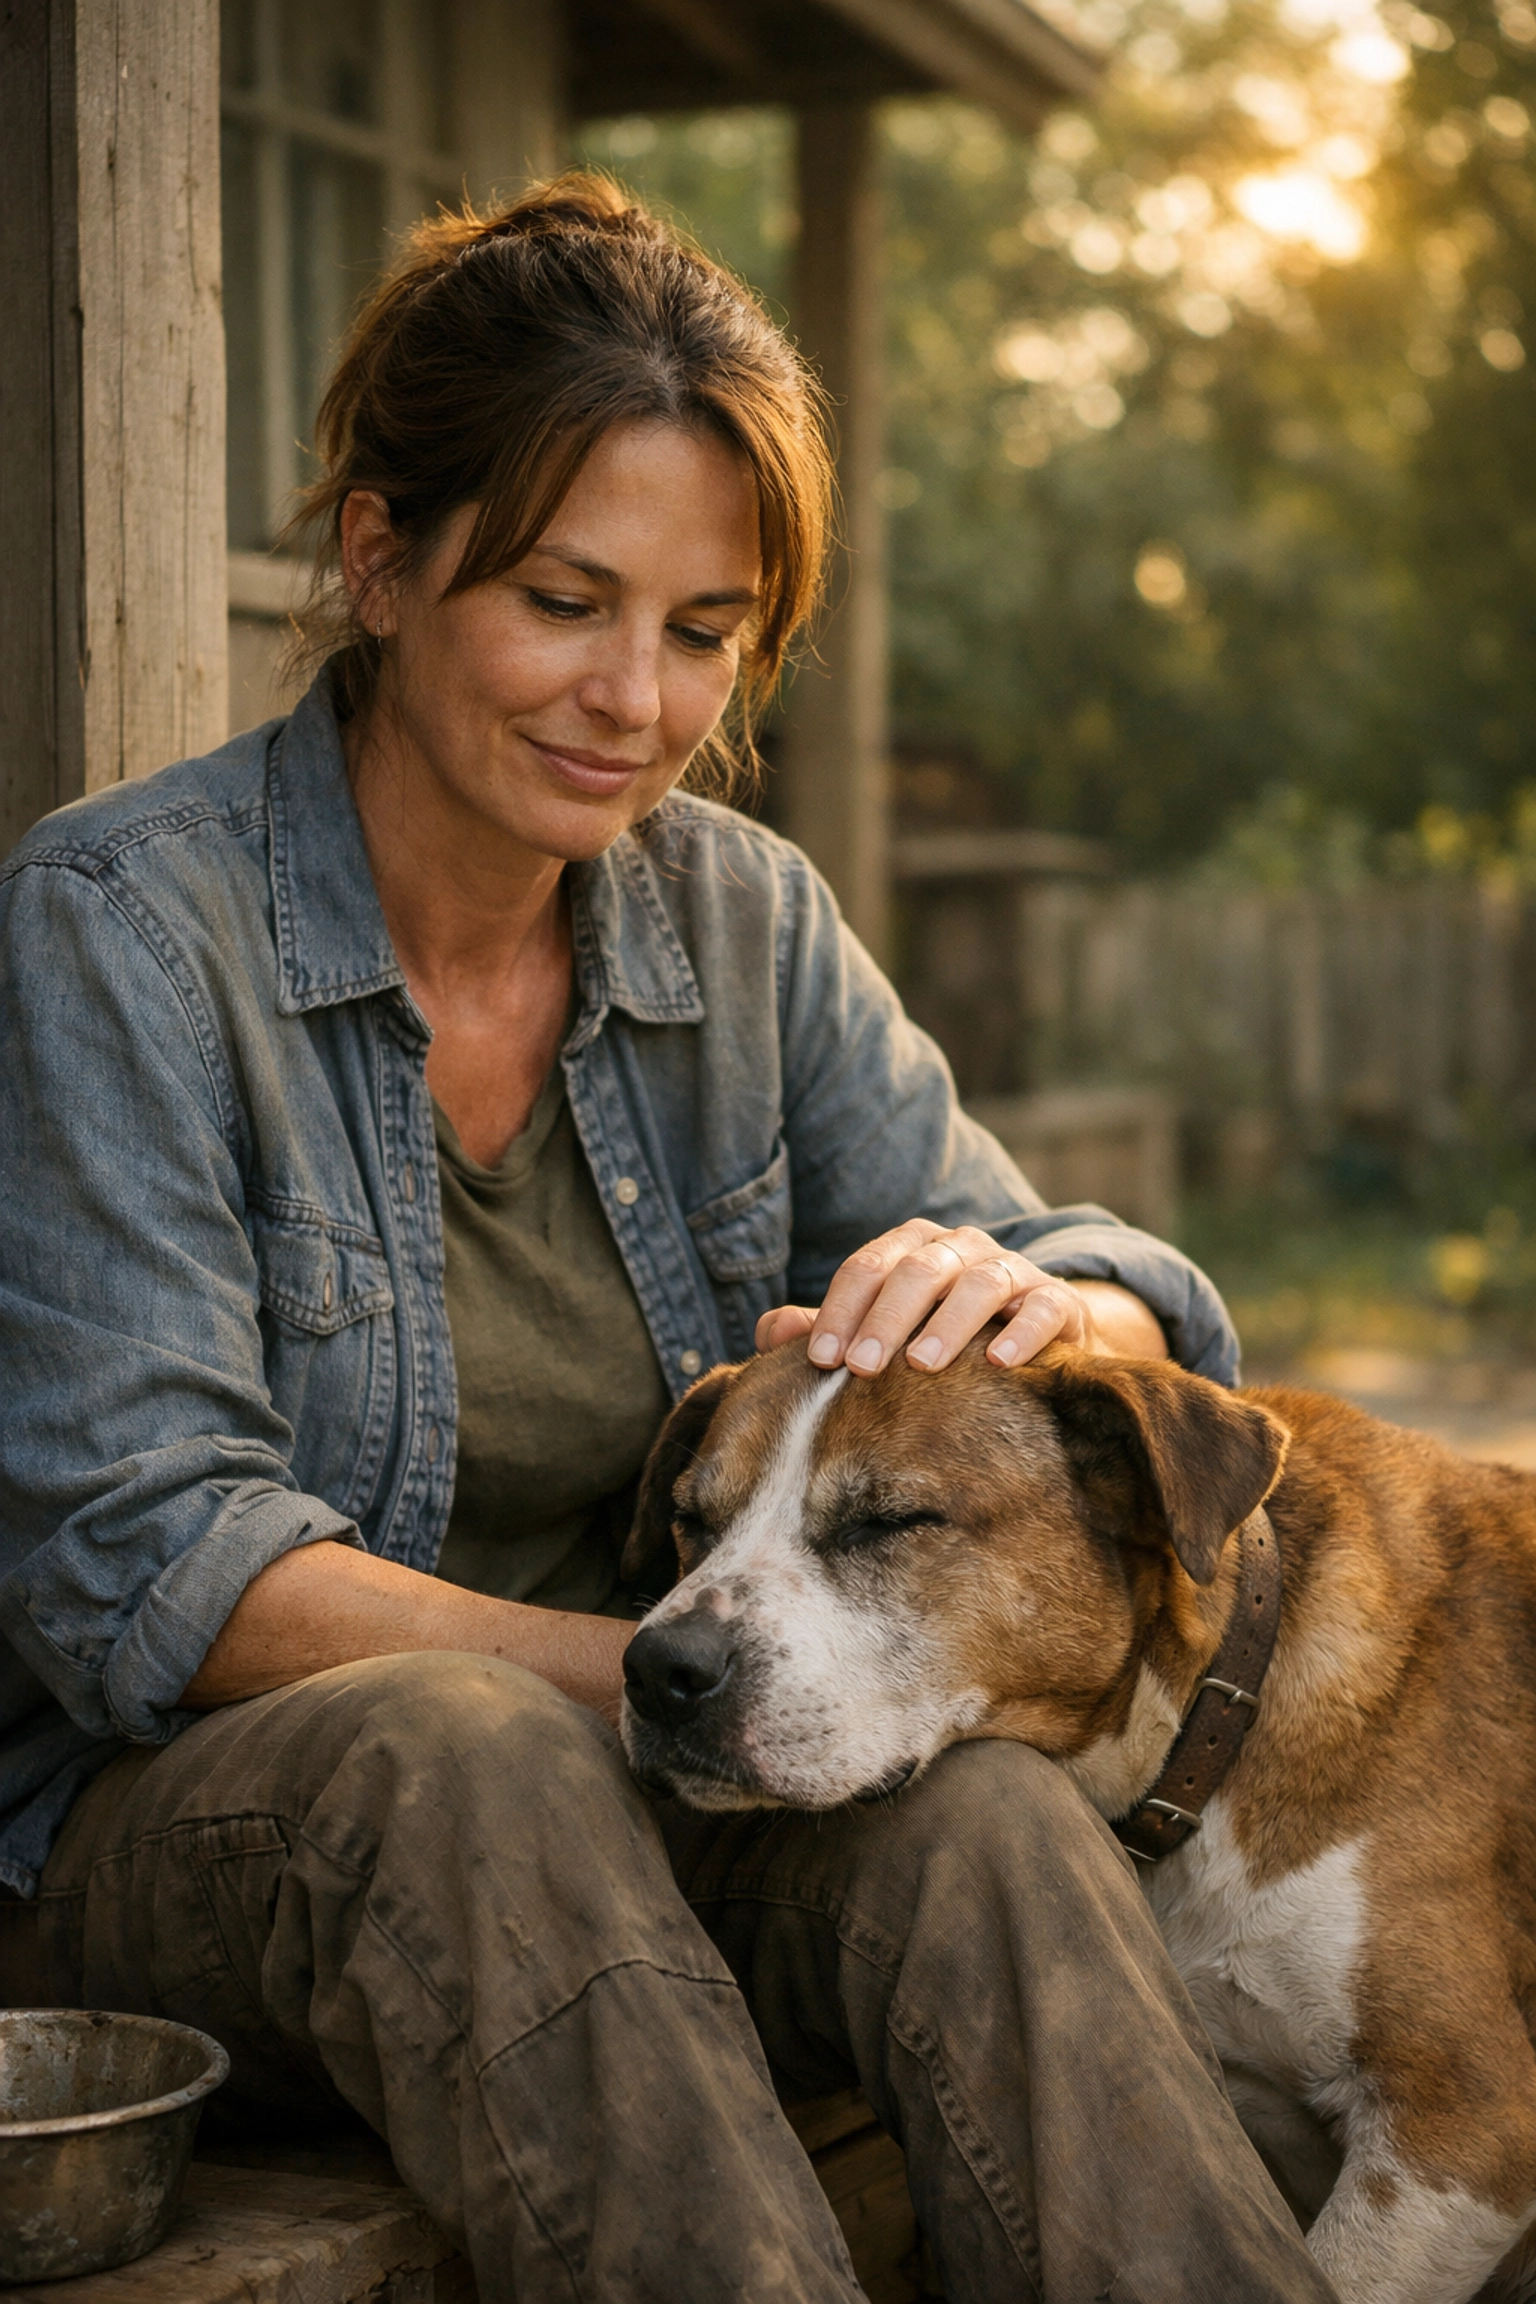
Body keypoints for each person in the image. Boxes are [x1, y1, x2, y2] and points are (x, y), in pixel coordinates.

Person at [0, 177, 1335, 2304]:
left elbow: (1043, 1257)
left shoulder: (738, 915)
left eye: (704, 632)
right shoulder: (126, 934)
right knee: (474, 1740)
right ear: (380, 558)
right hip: (203, 1852)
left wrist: (1057, 1292)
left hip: (641, 1799)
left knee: (981, 1812)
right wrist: (662, 1686)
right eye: (562, 598)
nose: (636, 695)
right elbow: (142, 1563)